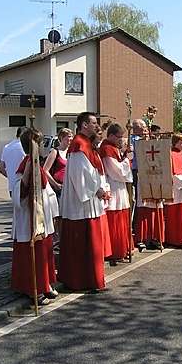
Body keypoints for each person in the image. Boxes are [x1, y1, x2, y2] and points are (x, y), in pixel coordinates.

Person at [59, 112, 111, 292]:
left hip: (90, 201)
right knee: (84, 244)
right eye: (94, 123)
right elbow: (81, 175)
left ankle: (92, 279)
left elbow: (94, 171)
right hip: (82, 204)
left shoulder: (87, 145)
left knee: (91, 244)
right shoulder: (79, 145)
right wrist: (97, 189)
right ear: (83, 125)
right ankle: (82, 280)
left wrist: (101, 187)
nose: (97, 126)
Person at [11, 128, 59, 305]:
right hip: (29, 218)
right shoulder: (25, 166)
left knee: (44, 253)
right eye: (40, 143)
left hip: (42, 217)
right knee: (33, 254)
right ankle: (33, 289)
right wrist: (26, 175)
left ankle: (45, 284)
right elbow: (19, 192)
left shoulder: (37, 163)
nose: (43, 146)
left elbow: (47, 191)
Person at [99, 123, 133, 265]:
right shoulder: (107, 148)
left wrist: (124, 154)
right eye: (119, 137)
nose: (121, 140)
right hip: (113, 187)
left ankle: (122, 248)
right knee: (114, 221)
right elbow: (117, 172)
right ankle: (115, 250)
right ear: (111, 135)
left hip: (119, 188)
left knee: (121, 219)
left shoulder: (114, 148)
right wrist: (127, 160)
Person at [43, 128, 74, 196]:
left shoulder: (71, 152)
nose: (71, 138)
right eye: (69, 136)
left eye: (72, 136)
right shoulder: (55, 152)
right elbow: (45, 170)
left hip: (69, 188)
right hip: (58, 189)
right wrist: (55, 184)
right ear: (61, 138)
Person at [0, 126, 28, 197]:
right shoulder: (25, 147)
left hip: (12, 186)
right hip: (25, 186)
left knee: (15, 207)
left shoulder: (7, 147)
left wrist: (10, 176)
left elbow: (1, 168)